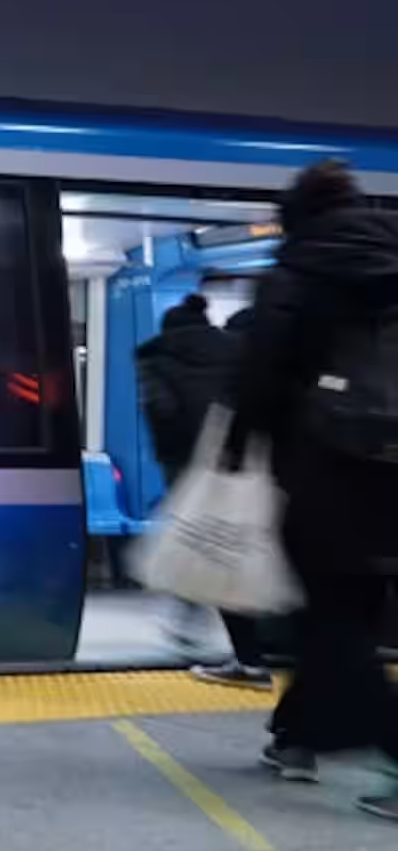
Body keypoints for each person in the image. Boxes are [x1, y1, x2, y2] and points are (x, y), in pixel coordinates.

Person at [226, 158, 398, 816]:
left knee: (327, 617)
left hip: (334, 467)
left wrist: (239, 456)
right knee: (345, 617)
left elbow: (262, 379)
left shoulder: (299, 272)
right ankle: (295, 737)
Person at [134, 290, 273, 689]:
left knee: (202, 542)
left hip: (190, 462)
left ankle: (242, 653)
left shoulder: (154, 356)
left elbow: (163, 411)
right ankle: (256, 643)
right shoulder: (235, 348)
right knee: (233, 543)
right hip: (242, 456)